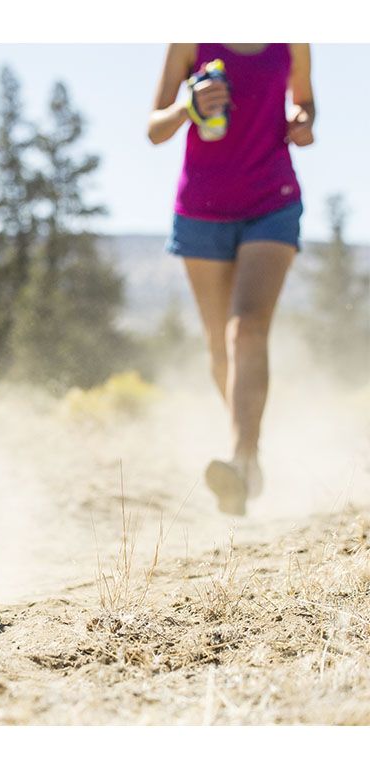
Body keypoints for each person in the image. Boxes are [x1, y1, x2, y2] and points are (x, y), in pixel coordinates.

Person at [148, 44, 315, 515]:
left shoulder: (291, 36)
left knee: (247, 328)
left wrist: (302, 121)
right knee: (221, 349)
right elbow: (154, 130)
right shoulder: (190, 39)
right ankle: (250, 458)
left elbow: (305, 99)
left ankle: (241, 461)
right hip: (201, 210)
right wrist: (188, 107)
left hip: (273, 201)